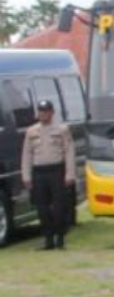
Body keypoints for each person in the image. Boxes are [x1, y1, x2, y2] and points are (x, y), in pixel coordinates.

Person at [21, 98, 75, 250]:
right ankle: (48, 238)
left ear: (52, 113)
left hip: (56, 170)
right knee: (42, 208)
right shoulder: (31, 131)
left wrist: (69, 174)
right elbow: (26, 154)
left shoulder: (62, 129)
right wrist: (26, 176)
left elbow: (69, 152)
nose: (43, 114)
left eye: (46, 111)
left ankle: (60, 237)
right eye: (41, 112)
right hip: (39, 172)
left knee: (59, 206)